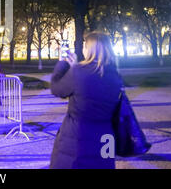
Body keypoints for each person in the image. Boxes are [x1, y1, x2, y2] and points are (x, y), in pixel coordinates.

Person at [49, 32, 123, 169]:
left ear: (89, 49)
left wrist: (62, 64)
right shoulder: (115, 76)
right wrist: (75, 67)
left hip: (78, 138)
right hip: (105, 139)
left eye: (84, 45)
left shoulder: (78, 72)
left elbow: (56, 89)